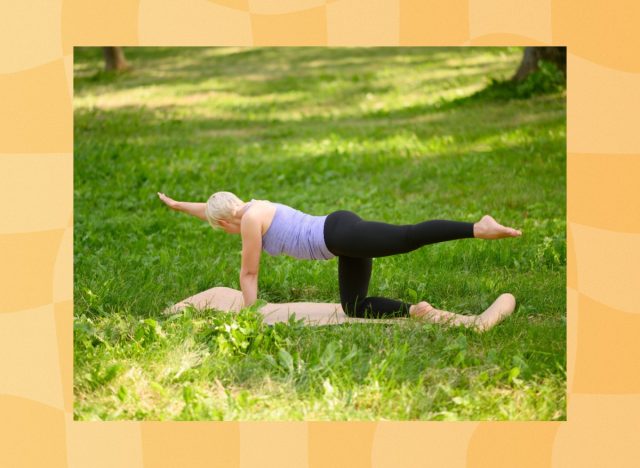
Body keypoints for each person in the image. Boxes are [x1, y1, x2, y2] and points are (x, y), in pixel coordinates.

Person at [157, 191, 522, 320]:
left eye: (220, 228)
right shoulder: (245, 205)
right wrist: (177, 206)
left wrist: (252, 314)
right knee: (355, 306)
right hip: (341, 240)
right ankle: (413, 310)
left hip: (340, 233)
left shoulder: (249, 222)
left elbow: (248, 274)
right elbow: (212, 206)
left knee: (406, 237)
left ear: (224, 224)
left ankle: (477, 227)